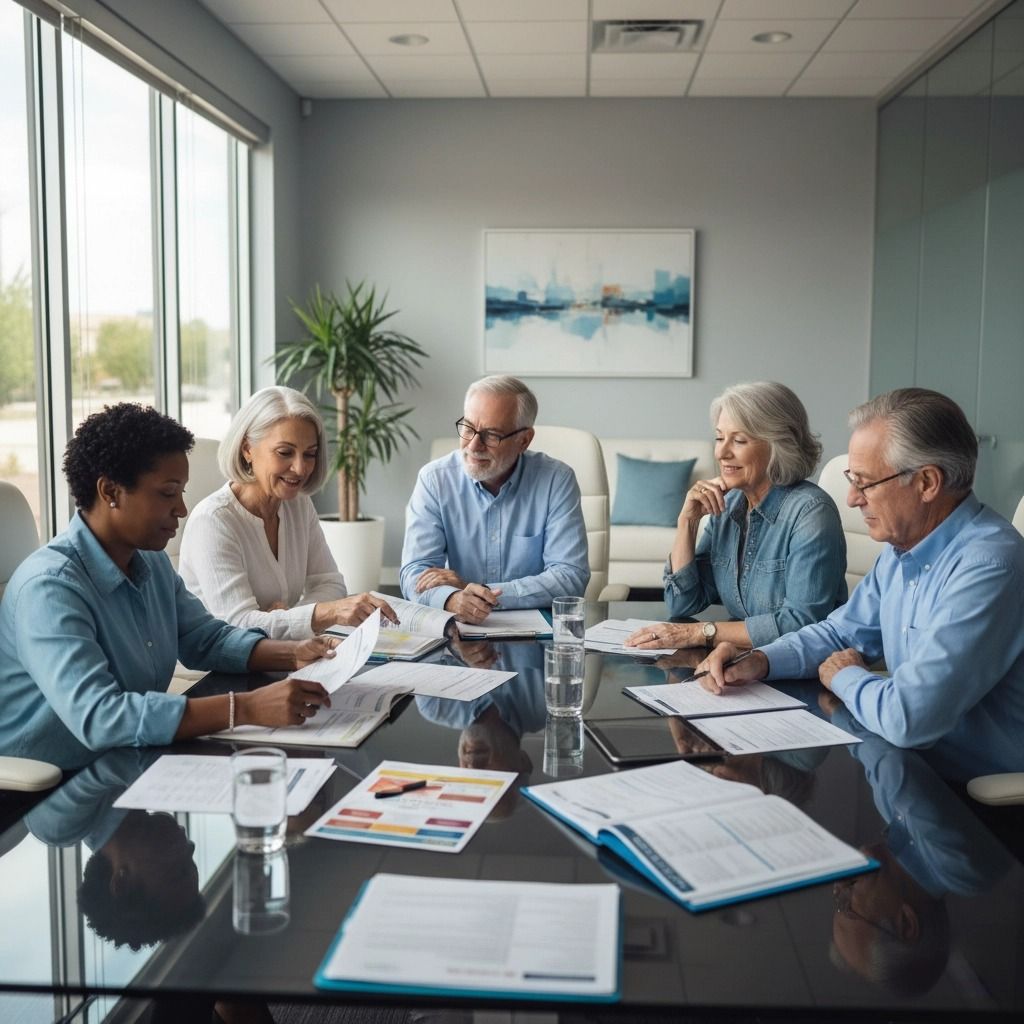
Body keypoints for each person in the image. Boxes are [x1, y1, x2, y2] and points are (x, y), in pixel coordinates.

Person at [0, 403, 336, 771]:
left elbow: (205, 639)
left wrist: (294, 653)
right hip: (52, 793)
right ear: (110, 491)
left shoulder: (149, 561)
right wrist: (248, 707)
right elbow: (101, 717)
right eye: (167, 493)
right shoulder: (50, 590)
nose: (182, 508)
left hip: (132, 762)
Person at [698, 388, 1024, 764]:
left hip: (969, 799)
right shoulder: (904, 549)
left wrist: (845, 676)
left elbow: (908, 718)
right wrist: (759, 660)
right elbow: (839, 632)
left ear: (927, 483)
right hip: (904, 764)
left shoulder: (987, 568)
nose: (852, 499)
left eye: (865, 482)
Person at [626, 381, 846, 652]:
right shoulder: (729, 504)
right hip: (744, 661)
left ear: (779, 445)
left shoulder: (811, 512)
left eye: (739, 440)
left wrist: (701, 632)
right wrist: (688, 522)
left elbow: (800, 623)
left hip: (802, 668)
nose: (721, 452)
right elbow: (683, 602)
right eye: (719, 438)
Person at [179, 385, 395, 638]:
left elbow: (331, 584)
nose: (301, 468)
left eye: (310, 454)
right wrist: (312, 616)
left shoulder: (298, 504)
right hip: (219, 670)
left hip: (280, 653)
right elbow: (237, 626)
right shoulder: (214, 520)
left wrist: (286, 618)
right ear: (247, 448)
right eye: (285, 452)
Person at [400, 375, 590, 623]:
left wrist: (477, 589)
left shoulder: (556, 480)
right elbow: (415, 574)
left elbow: (570, 577)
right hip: (459, 636)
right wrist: (452, 599)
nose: (474, 445)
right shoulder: (434, 480)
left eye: (491, 435)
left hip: (534, 642)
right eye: (468, 428)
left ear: (524, 440)